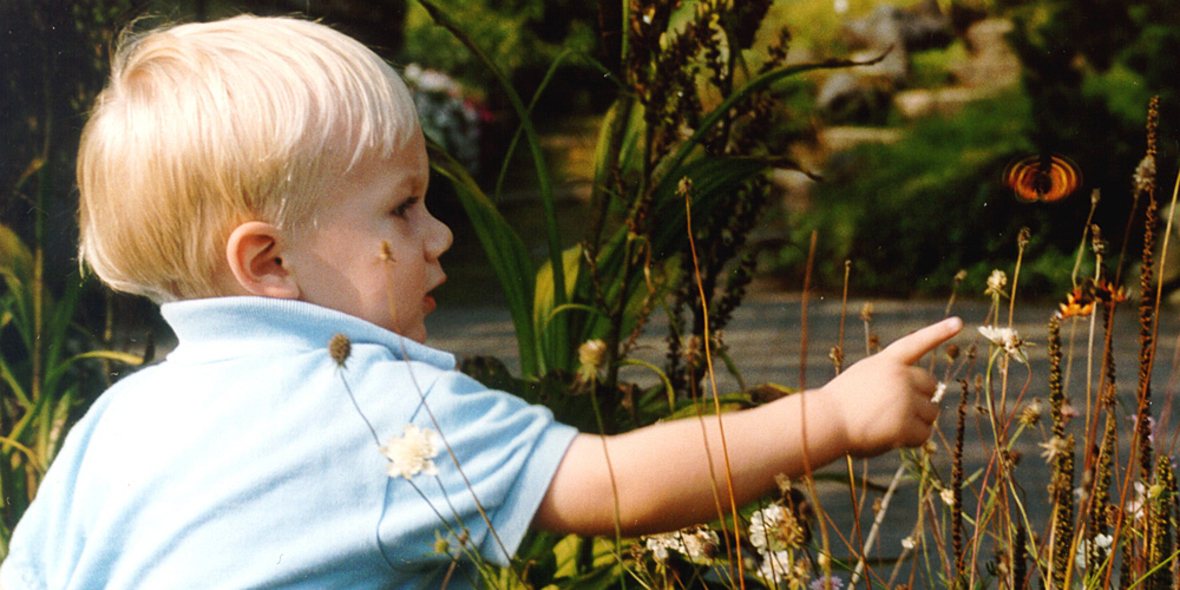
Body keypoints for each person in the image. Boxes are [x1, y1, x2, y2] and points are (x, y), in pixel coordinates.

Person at [0, 14, 962, 590]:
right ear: (268, 264)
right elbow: (616, 485)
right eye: (405, 207)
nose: (441, 235)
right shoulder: (377, 411)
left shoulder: (115, 420)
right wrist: (831, 416)